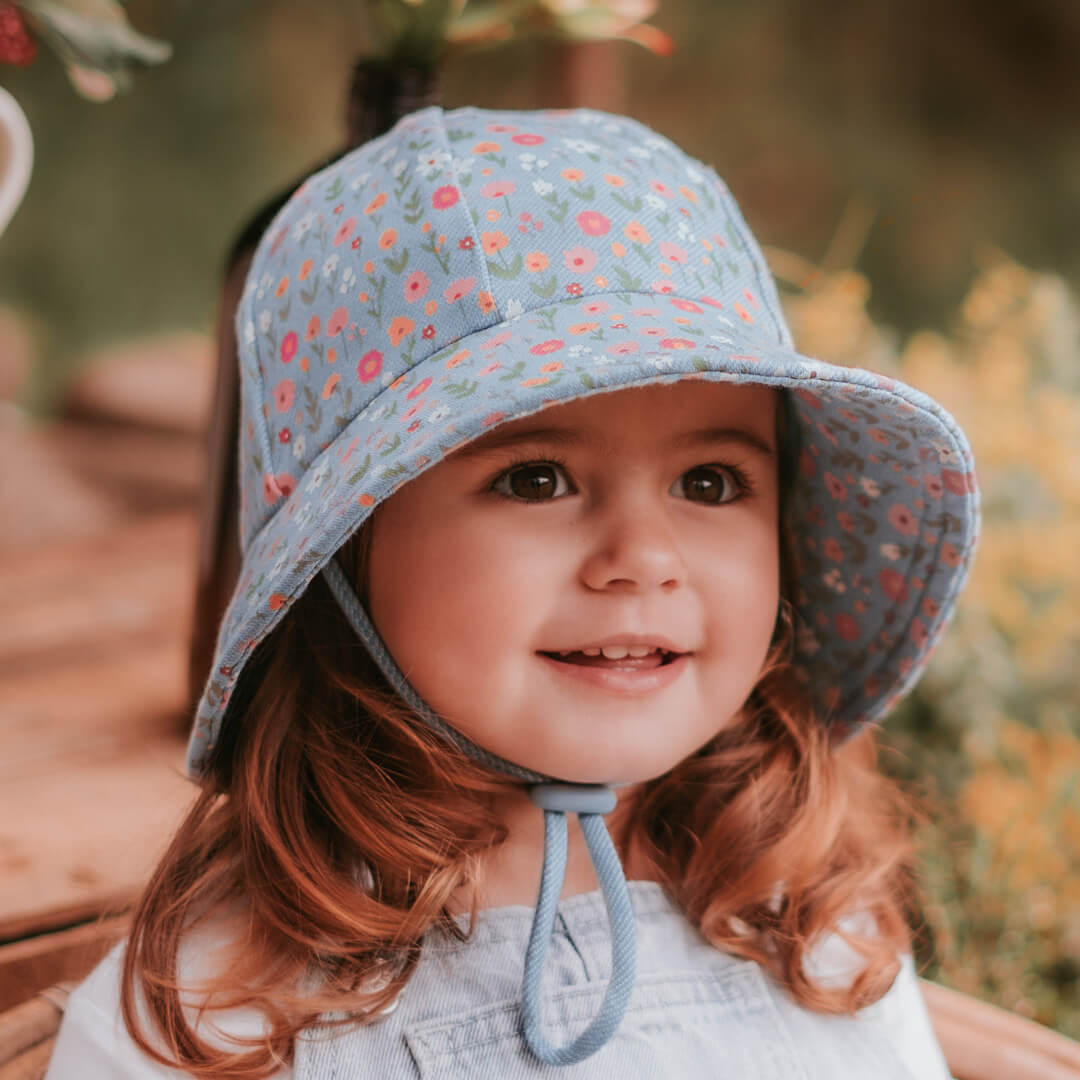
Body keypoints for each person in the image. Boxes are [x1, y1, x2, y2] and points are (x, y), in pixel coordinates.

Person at [45, 105, 979, 1079]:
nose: (643, 557)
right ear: (340, 554)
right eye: (535, 478)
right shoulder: (216, 1016)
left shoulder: (818, 927)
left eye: (709, 482)